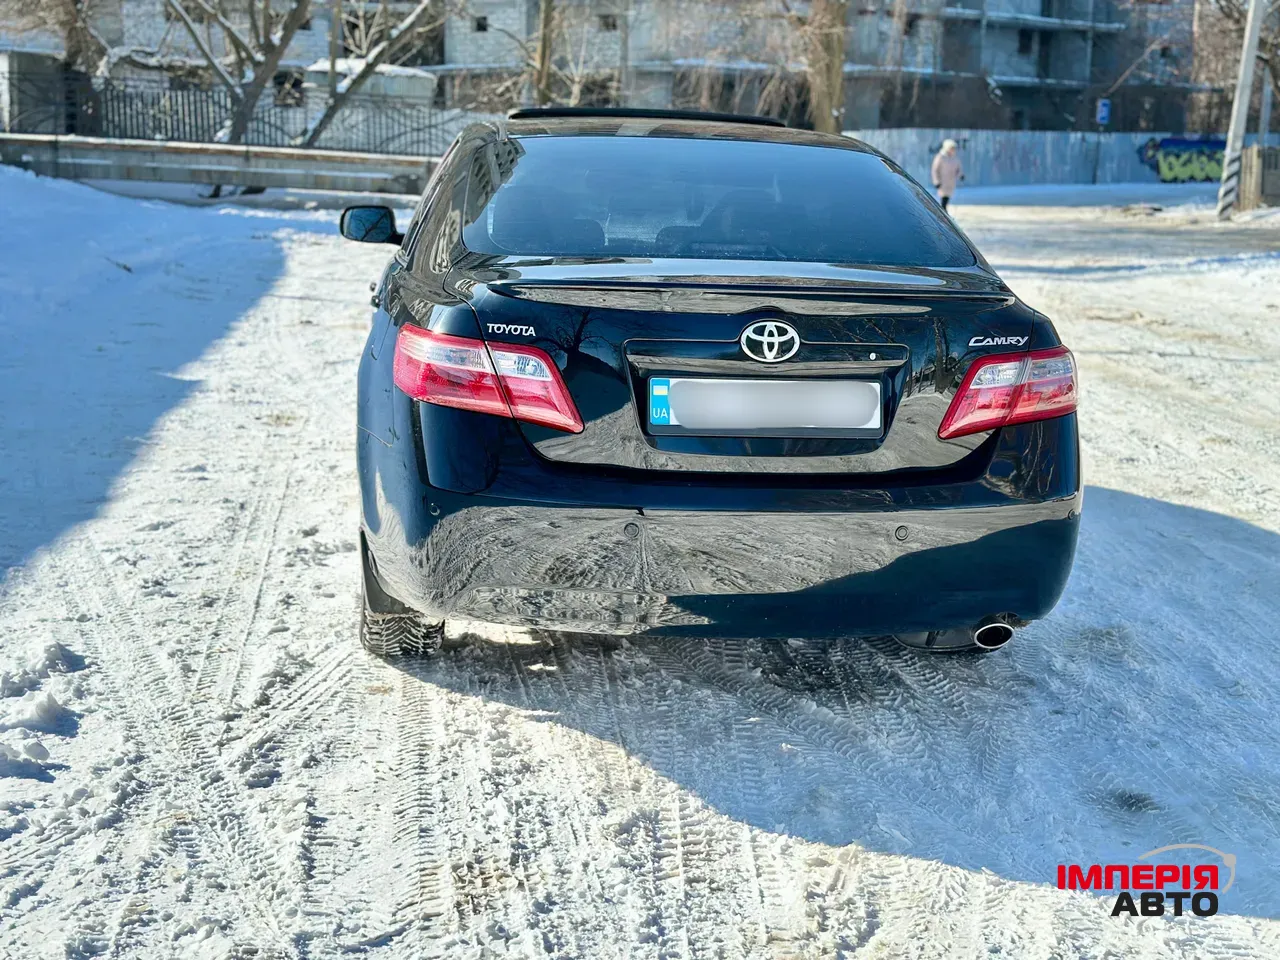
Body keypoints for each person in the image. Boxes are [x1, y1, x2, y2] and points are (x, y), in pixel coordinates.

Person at [931, 139, 963, 211]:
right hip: (942, 182)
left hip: (951, 182)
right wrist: (936, 182)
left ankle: (944, 212)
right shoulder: (940, 157)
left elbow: (958, 169)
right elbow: (935, 170)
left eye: (954, 148)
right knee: (943, 199)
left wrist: (961, 176)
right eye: (952, 148)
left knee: (947, 197)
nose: (953, 150)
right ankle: (943, 213)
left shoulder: (955, 158)